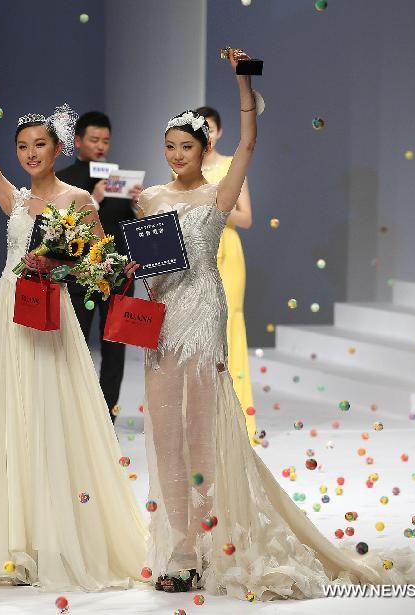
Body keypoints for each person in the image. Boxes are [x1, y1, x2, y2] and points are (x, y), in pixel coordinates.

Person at [137, 48, 415, 599]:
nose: (177, 155)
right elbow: (147, 260)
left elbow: (249, 142)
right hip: (161, 315)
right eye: (169, 147)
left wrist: (243, 85)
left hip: (202, 310)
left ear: (205, 148)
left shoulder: (218, 192)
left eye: (186, 146)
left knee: (201, 435)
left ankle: (205, 542)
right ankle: (179, 546)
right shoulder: (149, 198)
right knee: (164, 435)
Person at [0, 48, 148, 591]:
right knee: (11, 419)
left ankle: (58, 536)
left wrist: (61, 260)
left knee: (52, 417)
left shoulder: (79, 200)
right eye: (22, 146)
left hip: (51, 316)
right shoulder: (14, 198)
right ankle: (14, 538)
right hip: (6, 314)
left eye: (39, 145)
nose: (29, 153)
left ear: (58, 148)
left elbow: (101, 263)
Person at [176, 105, 257, 445]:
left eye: (208, 128)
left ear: (218, 132)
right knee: (193, 327)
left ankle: (238, 420)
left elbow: (246, 217)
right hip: (194, 251)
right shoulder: (183, 169)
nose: (204, 134)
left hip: (226, 251)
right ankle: (196, 421)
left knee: (228, 325)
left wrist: (215, 201)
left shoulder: (229, 167)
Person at [57, 112, 142, 423]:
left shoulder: (122, 180)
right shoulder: (64, 179)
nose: (100, 146)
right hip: (80, 275)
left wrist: (138, 203)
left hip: (118, 276)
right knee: (74, 345)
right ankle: (75, 416)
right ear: (78, 141)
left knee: (115, 347)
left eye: (105, 140)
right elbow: (62, 230)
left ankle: (107, 417)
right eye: (94, 140)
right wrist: (94, 198)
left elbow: (130, 226)